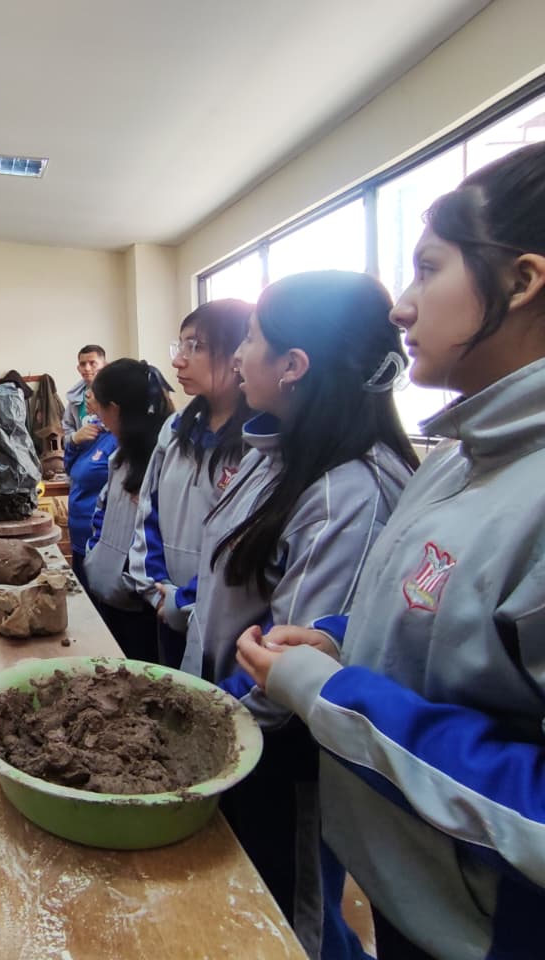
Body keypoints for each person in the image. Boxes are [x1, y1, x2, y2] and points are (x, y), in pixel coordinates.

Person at [236, 142, 545, 960]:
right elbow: (439, 617)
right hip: (408, 891)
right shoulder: (458, 460)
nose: (402, 309)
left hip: (486, 929)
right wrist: (340, 636)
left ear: (521, 281)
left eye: (429, 268)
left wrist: (334, 692)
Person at [190, 271, 418, 960]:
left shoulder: (349, 488)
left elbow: (294, 670)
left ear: (293, 366)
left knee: (297, 925)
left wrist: (202, 739)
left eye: (252, 340)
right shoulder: (279, 454)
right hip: (235, 733)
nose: (237, 357)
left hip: (280, 758)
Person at [128, 300, 252, 667]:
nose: (178, 361)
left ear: (239, 352)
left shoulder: (259, 441)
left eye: (195, 347)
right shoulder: (176, 429)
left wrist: (189, 602)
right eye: (180, 346)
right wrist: (161, 594)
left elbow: (246, 546)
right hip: (167, 607)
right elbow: (148, 513)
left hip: (231, 622)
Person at [80, 360, 172, 662]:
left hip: (140, 605)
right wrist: (96, 559)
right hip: (112, 592)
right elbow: (102, 518)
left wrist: (134, 586)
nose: (94, 410)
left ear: (115, 409)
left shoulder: (162, 462)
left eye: (98, 403)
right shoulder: (121, 457)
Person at [63, 387, 116, 580]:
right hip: (79, 538)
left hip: (100, 542)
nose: (86, 394)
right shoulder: (93, 430)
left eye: (94, 391)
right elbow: (69, 469)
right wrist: (74, 442)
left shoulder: (118, 439)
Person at [61, 344, 106, 440]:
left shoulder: (117, 393)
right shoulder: (74, 397)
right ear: (78, 368)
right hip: (84, 453)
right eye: (83, 364)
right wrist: (75, 438)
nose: (87, 368)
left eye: (92, 363)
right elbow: (66, 428)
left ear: (104, 365)